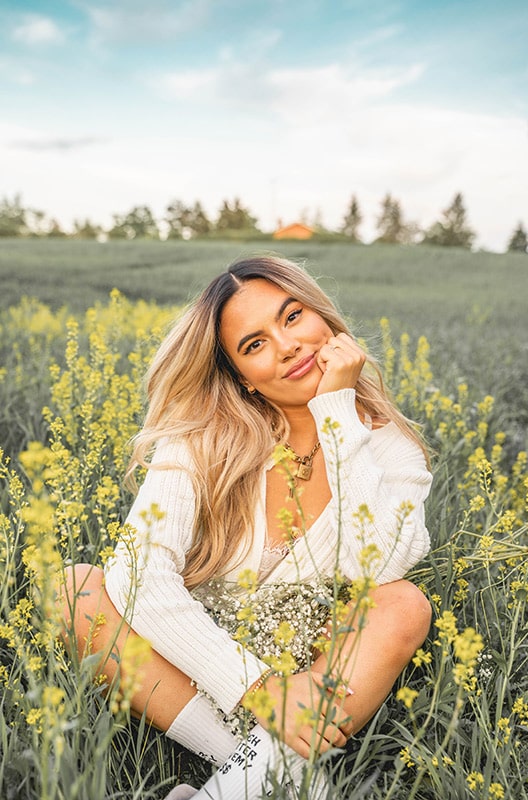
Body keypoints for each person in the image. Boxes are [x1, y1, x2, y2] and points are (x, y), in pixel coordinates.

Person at [59, 255, 433, 799]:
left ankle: (234, 784)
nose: (286, 346)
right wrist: (260, 691)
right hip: (197, 659)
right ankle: (283, 774)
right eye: (254, 345)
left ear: (325, 321)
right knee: (76, 590)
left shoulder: (388, 446)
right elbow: (141, 574)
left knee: (402, 605)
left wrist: (336, 411)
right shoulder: (201, 437)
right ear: (241, 377)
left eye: (292, 316)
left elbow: (383, 560)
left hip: (315, 668)